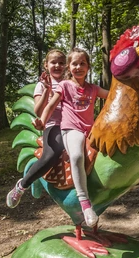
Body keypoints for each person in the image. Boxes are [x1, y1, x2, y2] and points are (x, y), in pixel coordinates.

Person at [33, 48, 109, 227]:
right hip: (71, 129)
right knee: (76, 156)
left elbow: (112, 95)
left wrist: (130, 85)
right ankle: (85, 203)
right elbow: (51, 106)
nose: (78, 67)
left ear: (88, 67)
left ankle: (132, 176)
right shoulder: (64, 85)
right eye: (74, 63)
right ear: (69, 67)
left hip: (90, 130)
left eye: (82, 63)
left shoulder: (93, 89)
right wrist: (42, 121)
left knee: (112, 145)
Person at [6, 49, 66, 208]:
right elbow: (38, 111)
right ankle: (22, 186)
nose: (57, 65)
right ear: (46, 65)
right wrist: (47, 90)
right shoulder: (42, 85)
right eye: (54, 62)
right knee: (50, 155)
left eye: (61, 62)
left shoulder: (69, 82)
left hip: (72, 125)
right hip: (53, 126)